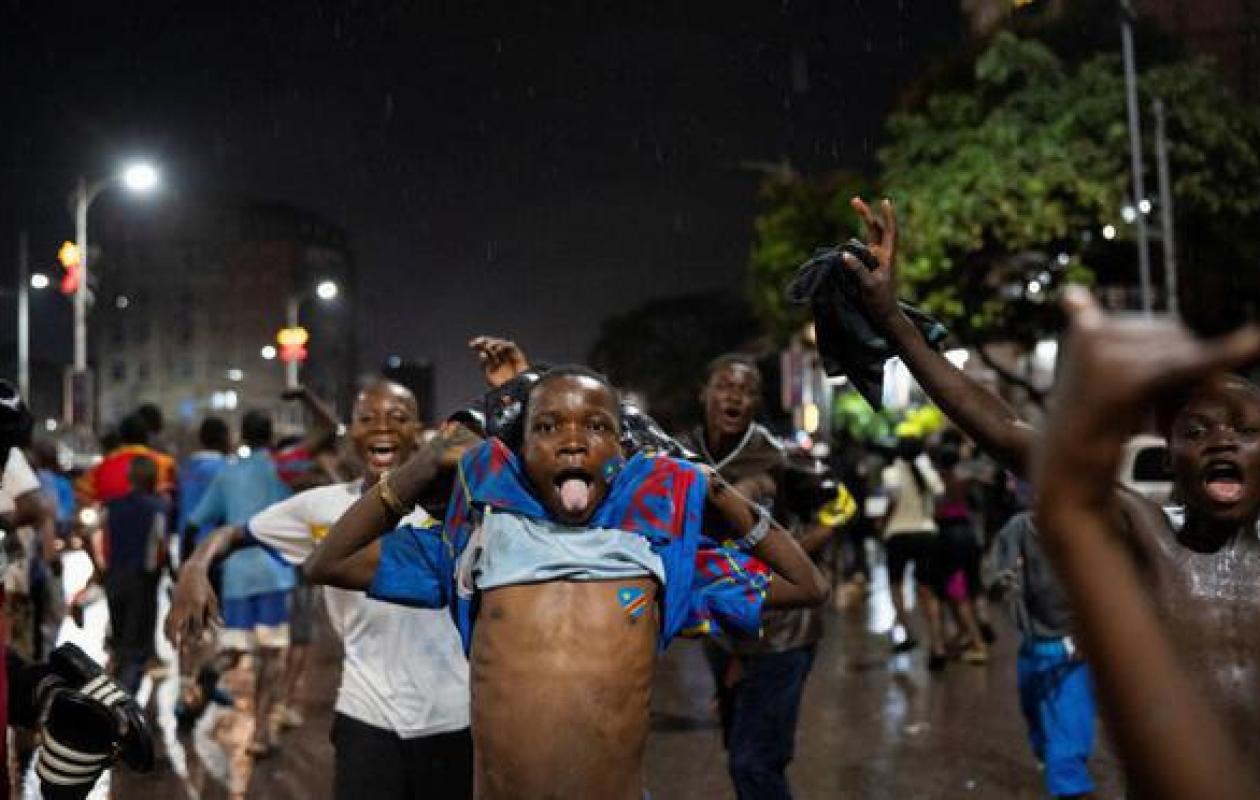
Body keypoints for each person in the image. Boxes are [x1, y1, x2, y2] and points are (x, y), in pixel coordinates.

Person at [826, 195, 1260, 790]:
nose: (1222, 443)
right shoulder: (1148, 535)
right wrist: (892, 321)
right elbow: (1007, 431)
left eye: (1246, 431)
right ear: (1171, 457)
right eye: (1197, 431)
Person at [304, 365, 829, 799]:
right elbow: (329, 562)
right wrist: (423, 466)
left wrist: (720, 496)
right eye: (548, 427)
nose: (573, 441)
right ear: (518, 447)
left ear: (624, 452)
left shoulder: (660, 560)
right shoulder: (474, 543)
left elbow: (806, 585)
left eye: (597, 426)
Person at [168, 379, 472, 799]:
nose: (382, 427)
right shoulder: (322, 507)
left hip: (454, 719)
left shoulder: (461, 507)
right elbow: (235, 533)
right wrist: (194, 569)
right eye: (367, 418)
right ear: (352, 432)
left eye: (398, 417)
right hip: (366, 715)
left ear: (420, 431)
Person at [679, 353, 848, 800]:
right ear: (704, 393)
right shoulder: (681, 451)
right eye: (725, 386)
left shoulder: (775, 455)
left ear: (757, 402)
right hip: (723, 632)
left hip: (782, 633)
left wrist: (785, 564)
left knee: (755, 762)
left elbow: (838, 510)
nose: (735, 396)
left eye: (747, 390)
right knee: (739, 752)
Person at [183, 409, 295, 757]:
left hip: (237, 576)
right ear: (271, 435)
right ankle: (261, 731)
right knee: (272, 655)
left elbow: (195, 521)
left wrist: (191, 566)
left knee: (234, 649)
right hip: (275, 572)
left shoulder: (227, 475)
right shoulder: (280, 470)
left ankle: (201, 681)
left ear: (242, 436)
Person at [991, 511, 1096, 799]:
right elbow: (996, 572)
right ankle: (1055, 760)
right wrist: (1003, 580)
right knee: (1037, 719)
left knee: (1066, 733)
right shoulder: (1020, 526)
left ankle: (1070, 786)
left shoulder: (1087, 527)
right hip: (1032, 646)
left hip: (1070, 650)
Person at [97, 456, 167, 694]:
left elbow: (96, 536)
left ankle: (109, 694)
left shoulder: (113, 505)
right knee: (136, 644)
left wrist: (100, 568)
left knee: (118, 637)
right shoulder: (157, 507)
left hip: (114, 576)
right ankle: (124, 703)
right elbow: (160, 543)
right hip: (142, 579)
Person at [880, 426, 948, 669]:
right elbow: (940, 493)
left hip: (898, 535)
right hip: (927, 533)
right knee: (927, 590)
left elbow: (891, 502)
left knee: (896, 586)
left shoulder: (891, 473)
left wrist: (881, 525)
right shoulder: (927, 472)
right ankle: (937, 644)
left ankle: (908, 632)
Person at [75, 412, 176, 506]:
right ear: (147, 437)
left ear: (121, 437)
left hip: (111, 520)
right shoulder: (165, 463)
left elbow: (83, 492)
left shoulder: (102, 466)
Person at [176, 417, 231, 566]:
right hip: (214, 548)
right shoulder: (226, 469)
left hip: (187, 545)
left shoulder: (185, 469)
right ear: (224, 438)